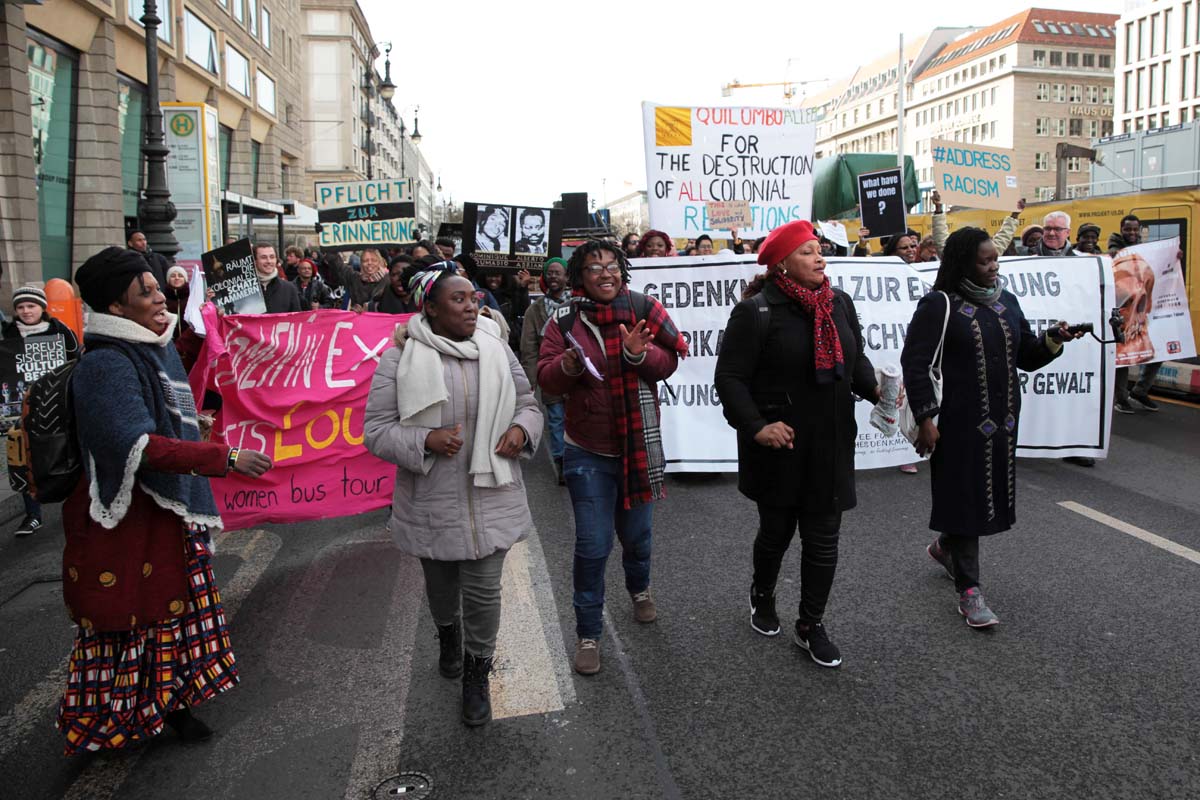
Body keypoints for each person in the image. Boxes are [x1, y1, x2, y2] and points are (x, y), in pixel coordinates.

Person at [58, 247, 273, 754]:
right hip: (129, 520)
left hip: (168, 511)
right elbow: (138, 445)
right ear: (115, 307)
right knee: (131, 621)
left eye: (158, 288)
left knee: (172, 618)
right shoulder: (106, 365)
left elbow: (173, 415)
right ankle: (108, 723)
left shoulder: (151, 347)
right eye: (147, 292)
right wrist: (224, 456)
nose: (160, 298)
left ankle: (171, 704)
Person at [364, 266, 541, 727]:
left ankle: (476, 675)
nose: (471, 307)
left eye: (473, 298)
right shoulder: (398, 359)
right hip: (432, 502)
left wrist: (522, 430)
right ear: (430, 308)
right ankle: (448, 635)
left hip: (493, 493)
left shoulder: (497, 348)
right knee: (442, 591)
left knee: (483, 593)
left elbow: (527, 403)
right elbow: (376, 431)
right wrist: (425, 440)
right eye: (458, 300)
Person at [713, 221, 881, 667]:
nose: (819, 258)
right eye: (807, 252)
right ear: (782, 264)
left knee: (824, 539)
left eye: (819, 249)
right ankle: (763, 594)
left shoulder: (839, 302)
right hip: (780, 448)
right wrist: (757, 427)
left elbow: (855, 358)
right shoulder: (756, 312)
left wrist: (877, 390)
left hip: (831, 443)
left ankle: (810, 624)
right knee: (776, 534)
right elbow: (729, 378)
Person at [901, 227, 1083, 629]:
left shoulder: (1006, 302)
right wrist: (926, 418)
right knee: (964, 496)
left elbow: (1027, 355)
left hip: (1001, 423)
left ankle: (946, 546)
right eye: (984, 261)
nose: (993, 267)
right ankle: (970, 590)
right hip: (954, 424)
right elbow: (915, 363)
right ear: (963, 263)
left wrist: (1054, 339)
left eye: (995, 259)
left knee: (977, 496)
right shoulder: (939, 305)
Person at [537, 239, 685, 676]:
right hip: (587, 452)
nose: (606, 274)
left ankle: (639, 589)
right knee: (592, 544)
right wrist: (567, 366)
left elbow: (670, 361)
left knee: (637, 538)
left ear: (622, 270)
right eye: (594, 267)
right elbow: (546, 378)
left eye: (612, 266)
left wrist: (639, 353)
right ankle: (588, 633)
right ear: (580, 277)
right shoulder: (564, 320)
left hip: (638, 448)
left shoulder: (643, 308)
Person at [3, 285, 81, 536]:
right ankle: (32, 515)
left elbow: (76, 361)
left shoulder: (60, 331)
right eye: (21, 307)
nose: (26, 311)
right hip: (20, 408)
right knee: (23, 461)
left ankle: (75, 506)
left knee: (65, 455)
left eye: (31, 306)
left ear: (42, 308)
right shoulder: (7, 333)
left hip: (57, 406)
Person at [519, 258, 570, 484]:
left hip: (577, 372)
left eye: (558, 273)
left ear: (567, 277)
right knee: (556, 419)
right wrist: (530, 380)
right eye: (549, 273)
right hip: (550, 372)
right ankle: (561, 462)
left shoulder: (578, 305)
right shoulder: (535, 310)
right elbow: (529, 348)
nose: (553, 277)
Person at [1107, 215, 1161, 414]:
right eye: (1127, 229)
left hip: (1139, 313)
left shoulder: (1144, 251)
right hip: (1121, 314)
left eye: (1135, 229)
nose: (1131, 232)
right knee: (1123, 354)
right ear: (1121, 229)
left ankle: (1140, 391)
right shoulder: (1114, 252)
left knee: (1159, 352)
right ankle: (1121, 398)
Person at [480, 270, 530, 350]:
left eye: (497, 276)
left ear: (503, 277)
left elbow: (522, 310)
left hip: (510, 342)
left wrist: (523, 288)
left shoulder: (511, 293)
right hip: (485, 341)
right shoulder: (479, 296)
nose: (493, 279)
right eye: (489, 275)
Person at [253, 243, 302, 313]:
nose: (269, 261)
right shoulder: (243, 290)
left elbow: (296, 317)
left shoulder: (289, 288)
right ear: (255, 261)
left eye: (272, 257)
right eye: (263, 257)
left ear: (276, 259)